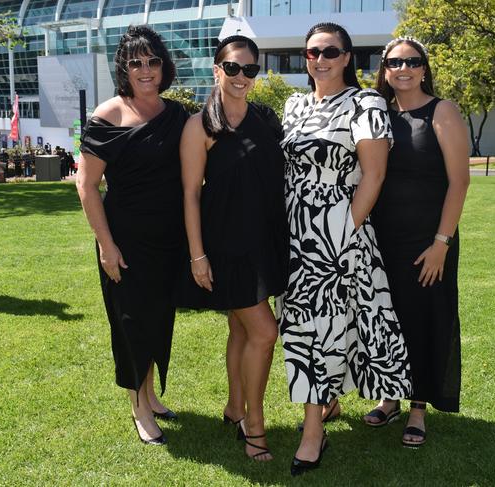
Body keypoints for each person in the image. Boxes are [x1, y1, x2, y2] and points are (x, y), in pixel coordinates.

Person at [278, 22, 411, 476]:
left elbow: (373, 176)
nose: (320, 59)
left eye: (330, 51)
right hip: (295, 234)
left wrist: (339, 234)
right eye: (312, 52)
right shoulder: (293, 105)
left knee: (320, 329)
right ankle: (327, 403)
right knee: (306, 326)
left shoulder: (366, 103)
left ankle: (312, 433)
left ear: (348, 56)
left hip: (339, 235)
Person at [175, 35, 287, 462]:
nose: (242, 77)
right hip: (225, 247)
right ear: (217, 70)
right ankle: (254, 428)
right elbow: (190, 195)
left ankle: (233, 407)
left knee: (241, 329)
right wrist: (197, 255)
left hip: (265, 241)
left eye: (251, 69)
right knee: (264, 331)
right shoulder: (199, 125)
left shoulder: (266, 118)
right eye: (234, 68)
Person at [76, 25, 189, 446]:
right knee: (129, 323)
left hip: (168, 240)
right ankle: (138, 406)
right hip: (123, 240)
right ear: (124, 68)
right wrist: (107, 245)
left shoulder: (176, 115)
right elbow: (86, 186)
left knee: (159, 320)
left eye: (152, 61)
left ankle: (151, 394)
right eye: (135, 62)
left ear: (164, 67)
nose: (145, 70)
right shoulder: (107, 116)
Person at [367, 36, 469, 448]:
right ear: (385, 71)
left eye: (412, 61)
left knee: (425, 319)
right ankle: (389, 395)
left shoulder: (441, 111)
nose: (403, 69)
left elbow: (459, 181)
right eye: (395, 62)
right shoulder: (376, 114)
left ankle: (417, 408)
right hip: (382, 239)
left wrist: (441, 242)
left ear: (424, 68)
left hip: (430, 240)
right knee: (389, 318)